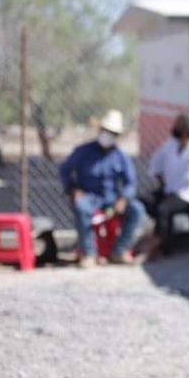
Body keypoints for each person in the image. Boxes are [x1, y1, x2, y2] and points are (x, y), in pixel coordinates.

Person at [59, 109, 144, 267]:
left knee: (137, 210)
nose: (107, 135)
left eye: (112, 133)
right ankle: (89, 253)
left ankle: (119, 251)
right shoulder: (83, 151)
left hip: (112, 199)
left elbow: (130, 182)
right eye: (105, 131)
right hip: (90, 196)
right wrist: (72, 190)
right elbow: (65, 170)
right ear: (100, 130)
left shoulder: (121, 157)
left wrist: (124, 199)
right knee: (82, 208)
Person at [142, 114, 189, 257]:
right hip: (169, 190)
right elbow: (155, 164)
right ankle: (162, 235)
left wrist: (174, 192)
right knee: (145, 200)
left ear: (186, 130)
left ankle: (162, 245)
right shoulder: (170, 145)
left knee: (163, 209)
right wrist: (162, 182)